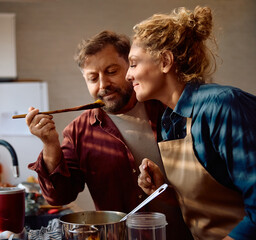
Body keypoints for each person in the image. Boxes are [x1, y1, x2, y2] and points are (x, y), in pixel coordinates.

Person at [26, 30, 193, 239]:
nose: (103, 85)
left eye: (112, 71)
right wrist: (50, 145)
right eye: (93, 78)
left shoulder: (167, 110)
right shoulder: (79, 132)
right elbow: (59, 196)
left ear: (130, 68)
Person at [126, 6, 256, 240]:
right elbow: (207, 205)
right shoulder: (169, 120)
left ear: (165, 61)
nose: (128, 75)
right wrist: (163, 192)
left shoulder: (224, 106)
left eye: (134, 64)